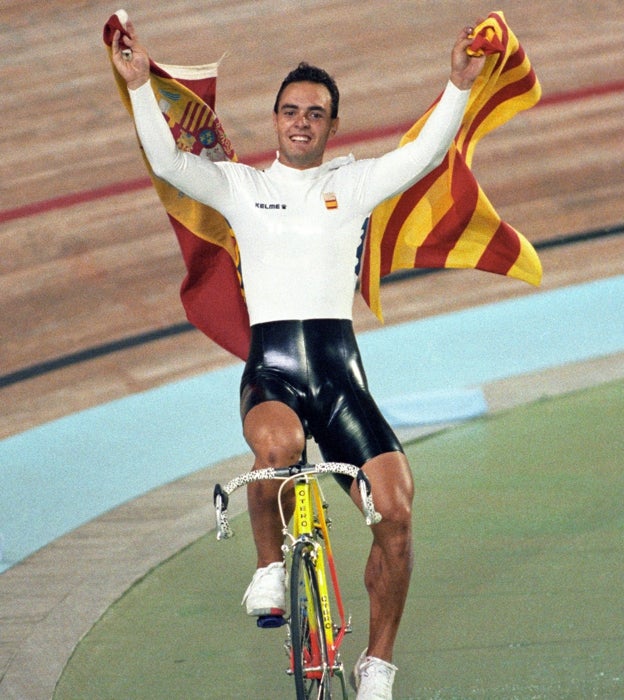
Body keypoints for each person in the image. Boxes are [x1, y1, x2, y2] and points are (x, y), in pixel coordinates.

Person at [112, 20, 484, 699]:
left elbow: (425, 153)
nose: (302, 122)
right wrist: (141, 89)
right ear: (275, 121)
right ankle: (268, 568)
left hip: (343, 384)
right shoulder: (240, 187)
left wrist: (456, 87)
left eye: (316, 113)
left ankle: (377, 664)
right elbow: (168, 164)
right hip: (274, 375)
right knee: (277, 448)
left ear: (333, 126)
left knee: (397, 513)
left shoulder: (357, 181)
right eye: (291, 111)